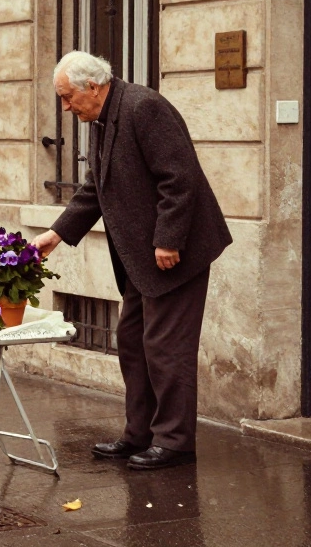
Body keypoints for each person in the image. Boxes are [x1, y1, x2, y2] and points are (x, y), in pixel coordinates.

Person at [30, 51, 232, 470]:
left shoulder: (145, 108)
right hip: (142, 260)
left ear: (93, 86)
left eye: (68, 97)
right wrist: (57, 233)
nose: (66, 108)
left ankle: (174, 442)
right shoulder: (104, 118)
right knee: (133, 342)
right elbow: (95, 188)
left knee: (165, 347)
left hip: (177, 254)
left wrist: (168, 239)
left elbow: (180, 178)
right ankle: (139, 434)